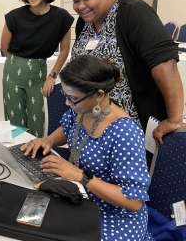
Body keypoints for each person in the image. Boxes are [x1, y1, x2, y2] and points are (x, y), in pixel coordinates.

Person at [22, 55, 153, 240]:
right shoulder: (83, 108)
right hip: (82, 197)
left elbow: (133, 202)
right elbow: (67, 129)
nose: (67, 103)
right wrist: (49, 140)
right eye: (66, 96)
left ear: (98, 94)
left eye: (73, 98)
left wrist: (81, 177)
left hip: (114, 214)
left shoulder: (124, 132)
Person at [68, 0, 183, 145]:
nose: (80, 6)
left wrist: (174, 118)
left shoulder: (134, 13)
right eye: (75, 1)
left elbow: (164, 63)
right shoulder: (85, 22)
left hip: (128, 126)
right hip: (93, 122)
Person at [0, 0, 74, 137]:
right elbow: (4, 46)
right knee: (14, 121)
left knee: (37, 118)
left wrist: (53, 75)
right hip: (12, 71)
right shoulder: (14, 16)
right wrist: (19, 64)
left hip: (39, 73)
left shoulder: (61, 17)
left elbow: (64, 50)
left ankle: (35, 159)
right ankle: (17, 157)